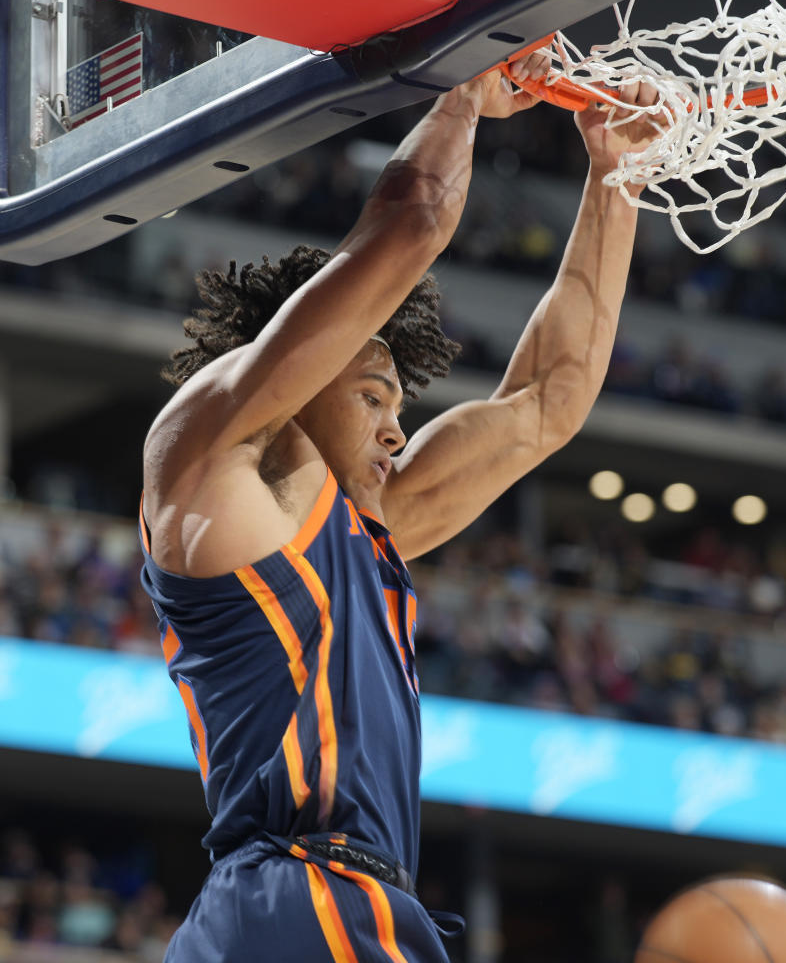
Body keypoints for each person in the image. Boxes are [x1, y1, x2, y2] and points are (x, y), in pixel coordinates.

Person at [140, 56, 660, 962]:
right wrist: (461, 83)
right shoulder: (207, 464)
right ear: (296, 374)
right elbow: (412, 218)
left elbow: (547, 401)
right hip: (301, 897)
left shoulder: (364, 530)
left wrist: (616, 172)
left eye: (398, 409)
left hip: (334, 910)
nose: (395, 429)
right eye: (373, 396)